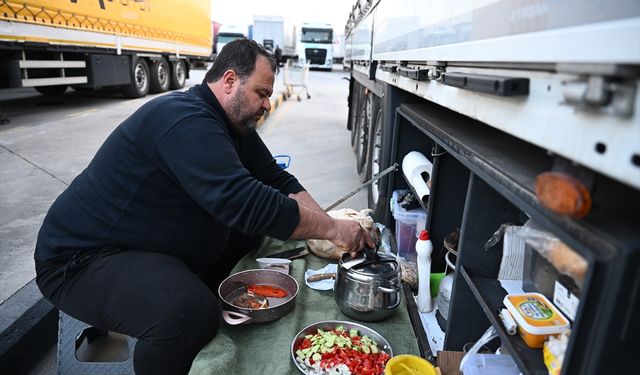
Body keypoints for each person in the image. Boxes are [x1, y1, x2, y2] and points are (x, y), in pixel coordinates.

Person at [34, 38, 374, 375]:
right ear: (229, 81)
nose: (267, 104)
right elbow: (245, 201)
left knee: (245, 236)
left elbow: (276, 179)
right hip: (81, 259)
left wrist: (329, 226)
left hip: (140, 240)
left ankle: (201, 291)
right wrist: (333, 229)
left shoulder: (232, 124)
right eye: (262, 93)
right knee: (187, 314)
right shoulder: (184, 121)